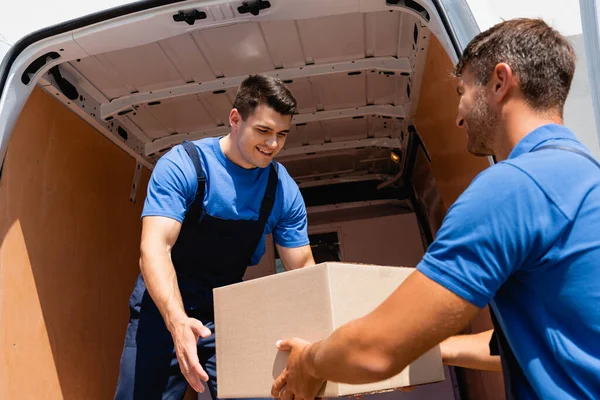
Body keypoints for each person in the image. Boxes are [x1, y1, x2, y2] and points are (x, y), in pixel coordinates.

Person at [271, 18, 600, 400]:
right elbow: (544, 339)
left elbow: (375, 351)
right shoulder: (583, 174)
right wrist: (428, 346)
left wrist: (310, 361)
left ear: (499, 82)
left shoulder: (513, 188)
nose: (459, 116)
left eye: (463, 91)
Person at [114, 75, 315, 400]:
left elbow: (302, 268)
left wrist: (320, 346)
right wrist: (178, 322)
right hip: (161, 311)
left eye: (282, 134)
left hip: (225, 314)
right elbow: (154, 249)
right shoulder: (183, 165)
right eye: (263, 131)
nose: (273, 144)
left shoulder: (282, 189)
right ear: (235, 119)